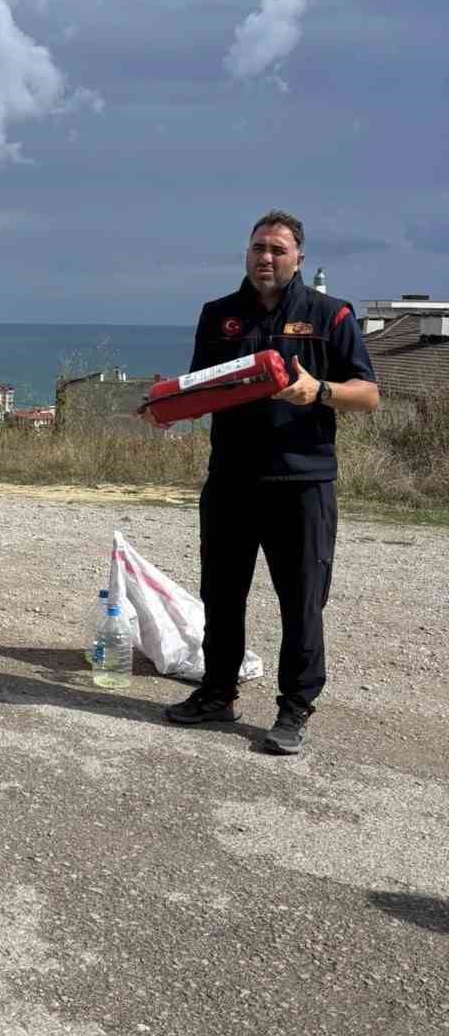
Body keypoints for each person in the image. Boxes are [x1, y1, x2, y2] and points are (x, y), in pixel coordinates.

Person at [162, 211, 379, 755]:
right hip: (231, 480)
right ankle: (217, 693)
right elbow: (199, 388)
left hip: (301, 484)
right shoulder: (218, 316)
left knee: (301, 601)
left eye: (278, 250)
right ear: (247, 253)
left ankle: (293, 709)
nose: (266, 257)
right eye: (258, 247)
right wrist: (164, 406)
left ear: (298, 258)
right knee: (222, 594)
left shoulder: (331, 315)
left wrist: (319, 391)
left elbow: (368, 395)